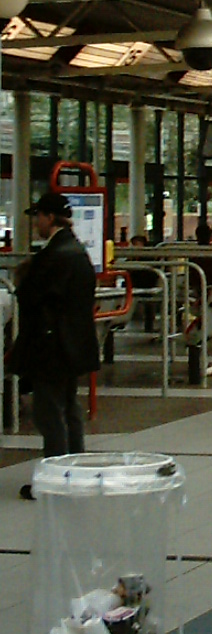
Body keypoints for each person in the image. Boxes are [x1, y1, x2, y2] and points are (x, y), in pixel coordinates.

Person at [10, 192, 99, 498]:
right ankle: (76, 469)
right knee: (69, 408)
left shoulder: (55, 256)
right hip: (73, 345)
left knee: (49, 412)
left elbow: (33, 298)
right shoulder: (77, 252)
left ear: (49, 217)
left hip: (52, 346)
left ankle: (58, 477)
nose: (36, 223)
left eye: (38, 217)